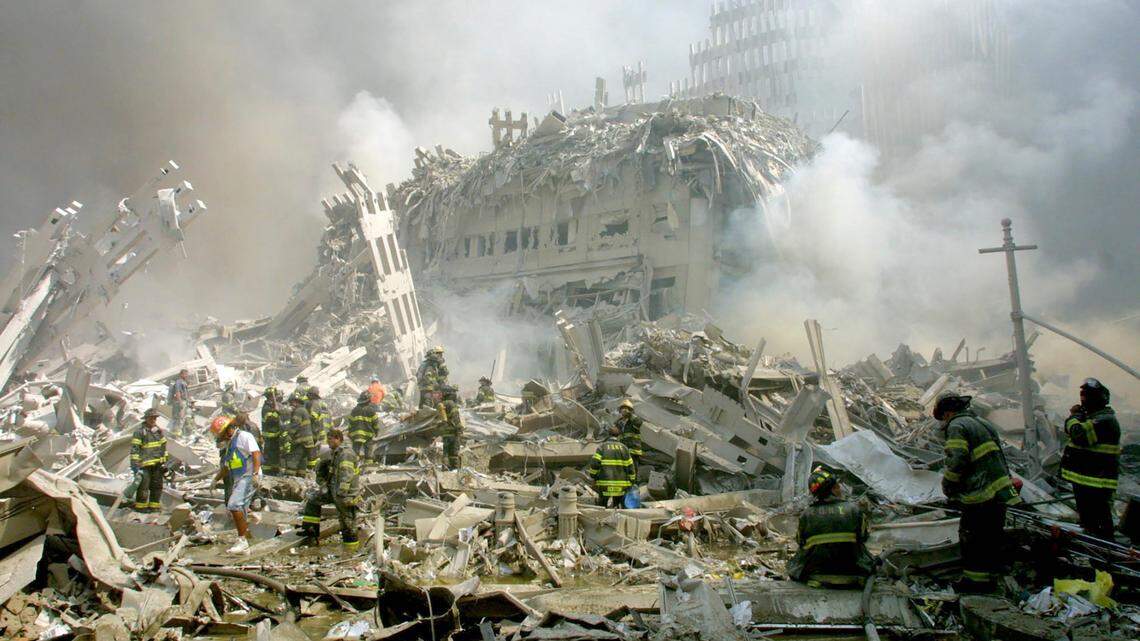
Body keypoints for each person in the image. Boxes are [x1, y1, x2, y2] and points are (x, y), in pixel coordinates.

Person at [935, 392, 1021, 592]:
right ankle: (992, 577)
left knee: (973, 539)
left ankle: (975, 583)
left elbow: (957, 460)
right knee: (992, 537)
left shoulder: (957, 426)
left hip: (980, 494)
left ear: (947, 413)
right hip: (999, 491)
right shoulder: (982, 423)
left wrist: (948, 485)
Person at [786, 466, 874, 588]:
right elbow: (864, 537)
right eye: (837, 486)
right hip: (854, 571)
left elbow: (801, 542)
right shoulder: (854, 509)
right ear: (832, 490)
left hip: (817, 574)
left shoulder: (806, 514)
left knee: (794, 562)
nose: (840, 490)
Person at [1061, 378, 1121, 540]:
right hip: (1088, 480)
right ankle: (1095, 554)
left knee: (1099, 526)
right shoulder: (1095, 417)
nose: (1083, 400)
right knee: (1089, 523)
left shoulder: (1104, 420)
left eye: (1087, 396)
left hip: (1097, 482)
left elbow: (1078, 434)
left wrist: (1073, 417)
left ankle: (1104, 558)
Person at [300, 429, 361, 550]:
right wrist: (324, 484)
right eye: (327, 438)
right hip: (334, 490)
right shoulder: (336, 453)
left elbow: (346, 475)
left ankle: (351, 549)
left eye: (331, 439)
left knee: (347, 522)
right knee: (313, 500)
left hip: (345, 494)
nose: (328, 441)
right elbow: (332, 473)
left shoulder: (345, 454)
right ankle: (310, 532)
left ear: (338, 439)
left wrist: (342, 494)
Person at [210, 416, 262, 554]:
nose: (220, 438)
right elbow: (227, 467)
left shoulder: (244, 436)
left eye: (221, 435)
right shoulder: (230, 445)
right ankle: (246, 542)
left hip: (249, 476)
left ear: (228, 430)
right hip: (239, 478)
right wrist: (215, 480)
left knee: (233, 505)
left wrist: (256, 474)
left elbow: (256, 454)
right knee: (242, 509)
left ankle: (242, 541)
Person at [587, 425, 636, 508]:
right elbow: (631, 467)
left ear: (608, 435)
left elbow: (595, 464)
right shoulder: (624, 448)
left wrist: (593, 476)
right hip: (621, 486)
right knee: (618, 508)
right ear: (618, 436)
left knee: (602, 508)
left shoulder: (602, 447)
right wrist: (632, 481)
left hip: (605, 484)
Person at [130, 408, 168, 513]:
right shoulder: (139, 432)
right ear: (146, 418)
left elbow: (163, 445)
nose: (153, 420)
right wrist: (135, 466)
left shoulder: (158, 431)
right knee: (143, 487)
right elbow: (135, 449)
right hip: (144, 465)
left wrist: (164, 460)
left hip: (157, 465)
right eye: (151, 418)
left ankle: (154, 507)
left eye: (155, 418)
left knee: (157, 487)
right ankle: (141, 507)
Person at [284, 393, 316, 477]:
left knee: (292, 461)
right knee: (302, 462)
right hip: (307, 443)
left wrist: (288, 436)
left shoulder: (298, 411)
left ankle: (290, 480)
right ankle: (300, 479)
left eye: (291, 403)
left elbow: (295, 425)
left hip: (300, 441)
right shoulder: (303, 410)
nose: (290, 405)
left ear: (295, 402)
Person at [437, 384, 464, 470]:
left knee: (445, 452)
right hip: (453, 432)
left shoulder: (441, 404)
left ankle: (445, 469)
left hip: (445, 433)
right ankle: (454, 470)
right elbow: (455, 417)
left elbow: (441, 420)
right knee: (454, 453)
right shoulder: (451, 404)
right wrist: (459, 429)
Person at [348, 390, 379, 460]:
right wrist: (376, 432)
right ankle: (368, 468)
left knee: (355, 453)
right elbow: (375, 423)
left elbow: (350, 423)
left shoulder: (354, 410)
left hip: (355, 435)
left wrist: (350, 432)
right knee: (368, 454)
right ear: (368, 400)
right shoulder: (371, 410)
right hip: (368, 435)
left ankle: (354, 466)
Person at [614, 399, 644, 469]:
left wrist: (630, 415)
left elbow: (639, 423)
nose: (624, 411)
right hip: (621, 451)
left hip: (633, 451)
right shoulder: (618, 423)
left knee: (633, 470)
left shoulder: (633, 420)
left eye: (626, 409)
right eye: (622, 409)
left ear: (630, 410)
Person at [260, 387, 282, 476]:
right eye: (274, 396)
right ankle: (268, 473)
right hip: (270, 437)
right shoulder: (266, 408)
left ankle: (275, 471)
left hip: (275, 436)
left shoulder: (271, 406)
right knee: (269, 456)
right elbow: (272, 419)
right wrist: (278, 412)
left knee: (275, 456)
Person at [167, 369, 193, 437]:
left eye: (187, 374)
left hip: (184, 401)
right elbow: (177, 392)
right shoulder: (179, 382)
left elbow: (186, 393)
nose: (186, 375)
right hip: (180, 401)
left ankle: (179, 432)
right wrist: (180, 402)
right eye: (185, 374)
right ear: (181, 374)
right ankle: (176, 434)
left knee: (183, 417)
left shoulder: (184, 382)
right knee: (179, 417)